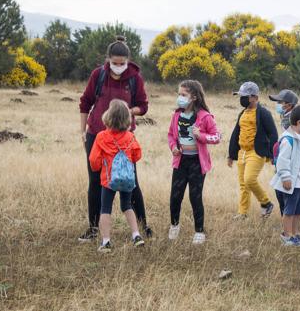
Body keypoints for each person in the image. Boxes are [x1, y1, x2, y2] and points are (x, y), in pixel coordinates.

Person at [78, 36, 151, 242]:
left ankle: (143, 227)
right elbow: (85, 103)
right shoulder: (98, 75)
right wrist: (82, 131)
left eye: (122, 63)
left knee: (131, 180)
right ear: (108, 60)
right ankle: (93, 228)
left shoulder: (135, 78)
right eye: (114, 63)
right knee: (95, 180)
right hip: (97, 136)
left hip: (124, 138)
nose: (118, 67)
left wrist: (130, 110)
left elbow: (143, 106)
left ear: (127, 61)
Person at [167, 80, 221, 244]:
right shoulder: (176, 115)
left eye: (184, 95)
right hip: (181, 161)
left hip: (197, 162)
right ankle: (174, 225)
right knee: (175, 196)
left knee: (195, 197)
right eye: (179, 94)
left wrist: (201, 136)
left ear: (194, 97)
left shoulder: (205, 116)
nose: (180, 98)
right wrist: (173, 147)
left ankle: (199, 231)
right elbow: (170, 135)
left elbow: (217, 137)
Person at [88, 99, 144, 252]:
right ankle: (136, 235)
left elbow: (94, 160)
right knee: (127, 206)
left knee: (105, 209)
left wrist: (98, 168)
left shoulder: (101, 137)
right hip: (127, 179)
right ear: (127, 118)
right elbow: (137, 155)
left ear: (108, 116)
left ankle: (106, 242)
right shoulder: (130, 137)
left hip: (108, 180)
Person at [270, 105, 300, 246]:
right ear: (299, 123)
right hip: (293, 182)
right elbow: (282, 161)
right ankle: (287, 236)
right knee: (290, 210)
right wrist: (286, 177)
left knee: (299, 210)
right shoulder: (288, 139)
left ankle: (296, 234)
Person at [228, 81, 277, 219]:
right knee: (243, 185)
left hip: (256, 152)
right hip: (242, 152)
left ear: (254, 97)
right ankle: (242, 213)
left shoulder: (264, 113)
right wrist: (231, 155)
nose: (241, 99)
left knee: (249, 179)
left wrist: (274, 155)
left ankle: (266, 202)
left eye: (245, 96)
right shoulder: (242, 113)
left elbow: (273, 133)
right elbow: (236, 133)